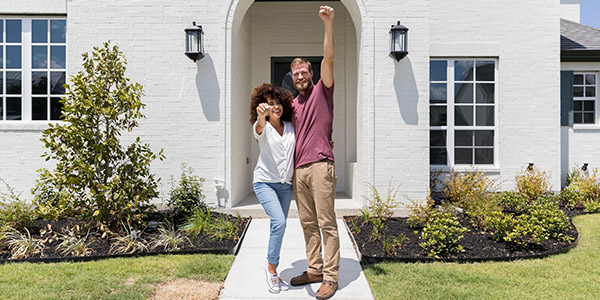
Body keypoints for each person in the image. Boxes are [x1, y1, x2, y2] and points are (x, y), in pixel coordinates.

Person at [288, 5, 339, 300]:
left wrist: (328, 24)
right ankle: (315, 268)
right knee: (307, 223)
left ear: (311, 73)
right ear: (292, 78)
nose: (301, 76)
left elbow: (328, 57)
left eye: (305, 71)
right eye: (296, 73)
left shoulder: (323, 90)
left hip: (321, 165)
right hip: (300, 170)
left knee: (326, 223)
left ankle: (331, 277)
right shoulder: (292, 105)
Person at [249, 83, 295, 294]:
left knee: (279, 226)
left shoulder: (291, 127)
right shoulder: (263, 127)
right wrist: (261, 117)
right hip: (264, 182)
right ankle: (271, 268)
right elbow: (258, 127)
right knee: (279, 221)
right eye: (270, 104)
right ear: (264, 107)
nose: (275, 107)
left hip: (285, 186)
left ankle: (272, 264)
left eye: (278, 103)